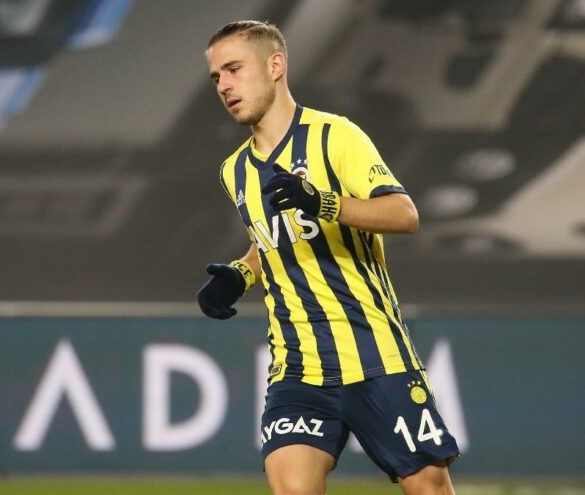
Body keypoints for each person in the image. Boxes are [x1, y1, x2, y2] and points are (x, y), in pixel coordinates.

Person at [197, 20, 460, 495]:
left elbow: (403, 214)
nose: (224, 86)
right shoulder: (234, 170)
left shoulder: (335, 136)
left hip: (374, 355)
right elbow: (272, 242)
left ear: (275, 65)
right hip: (298, 367)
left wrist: (323, 202)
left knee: (428, 487)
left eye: (234, 69)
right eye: (217, 77)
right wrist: (240, 275)